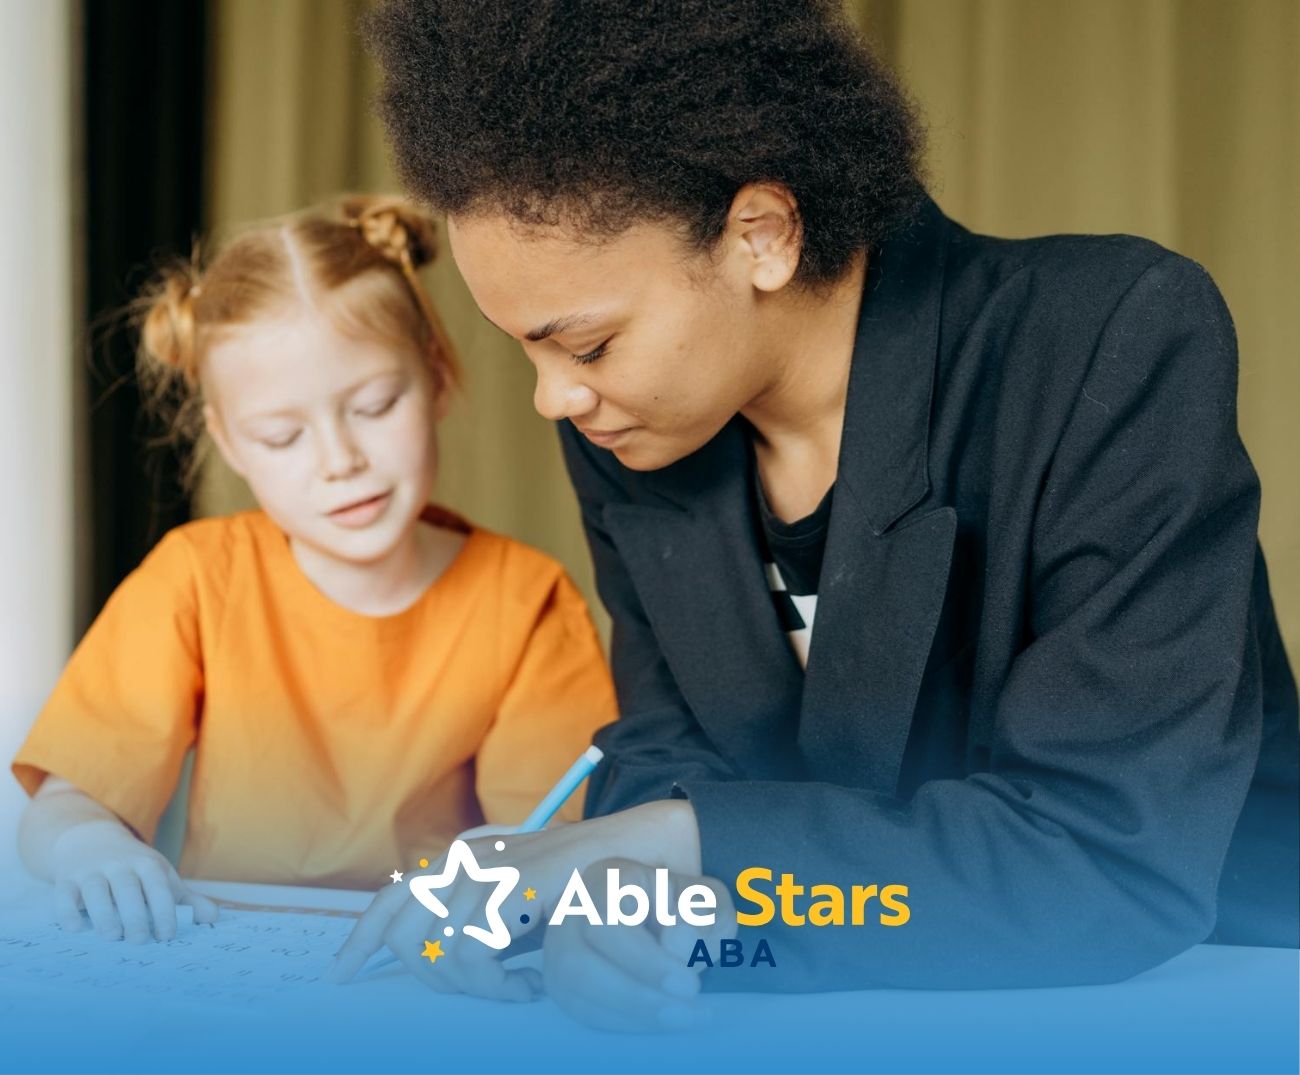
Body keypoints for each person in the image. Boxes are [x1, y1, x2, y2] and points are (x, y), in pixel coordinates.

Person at [330, 1, 1299, 1031]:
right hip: (814, 1006)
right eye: (526, 349)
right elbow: (664, 755)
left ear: (762, 235)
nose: (553, 400)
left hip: (1195, 996)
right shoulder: (630, 427)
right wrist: (629, 913)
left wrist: (676, 848)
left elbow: (1106, 855)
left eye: (589, 346)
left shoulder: (1108, 336)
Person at [12, 194, 617, 944]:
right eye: (282, 435)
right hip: (223, 961)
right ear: (230, 442)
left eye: (374, 405)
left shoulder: (525, 599)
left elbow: (554, 842)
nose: (340, 462)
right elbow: (63, 804)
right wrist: (90, 844)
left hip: (432, 960)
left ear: (437, 378)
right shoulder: (197, 578)